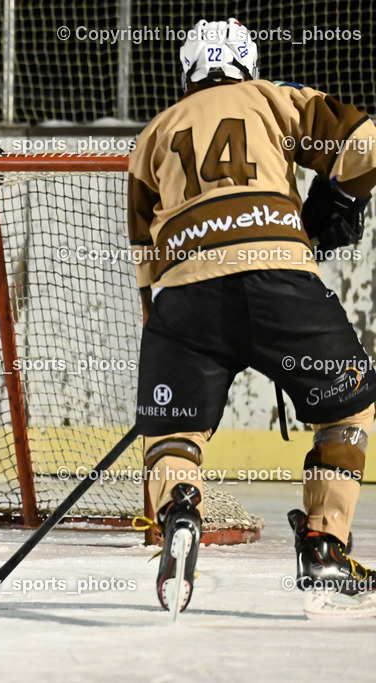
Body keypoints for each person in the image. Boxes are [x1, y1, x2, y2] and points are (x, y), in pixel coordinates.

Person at [128, 18, 376, 612]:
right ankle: (323, 546)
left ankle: (181, 511)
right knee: (349, 411)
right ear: (247, 63)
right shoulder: (273, 98)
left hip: (185, 298)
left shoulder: (152, 134)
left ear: (186, 70)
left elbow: (147, 260)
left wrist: (164, 341)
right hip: (280, 286)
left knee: (173, 433)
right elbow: (366, 139)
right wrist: (336, 200)